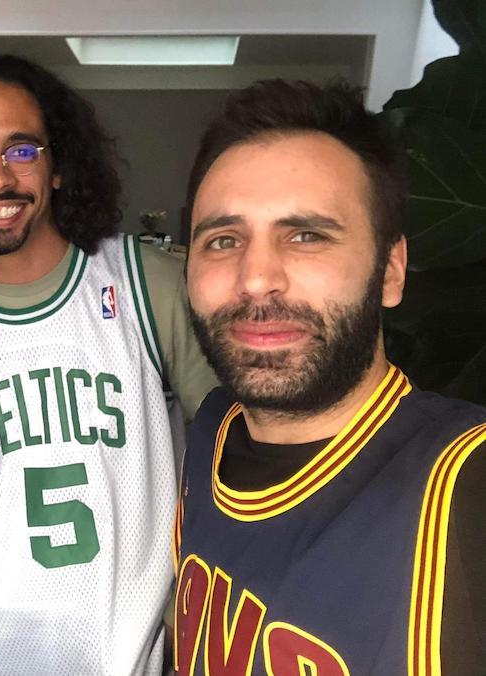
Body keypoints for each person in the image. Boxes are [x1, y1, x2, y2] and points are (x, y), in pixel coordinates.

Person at [0, 55, 217, 676]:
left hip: (136, 657)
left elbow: (230, 453)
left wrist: (195, 609)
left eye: (21, 150)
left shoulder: (146, 284)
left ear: (59, 166)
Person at [173, 79, 485, 674]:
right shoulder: (213, 427)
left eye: (306, 235)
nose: (256, 278)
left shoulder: (463, 482)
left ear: (390, 271)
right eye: (223, 240)